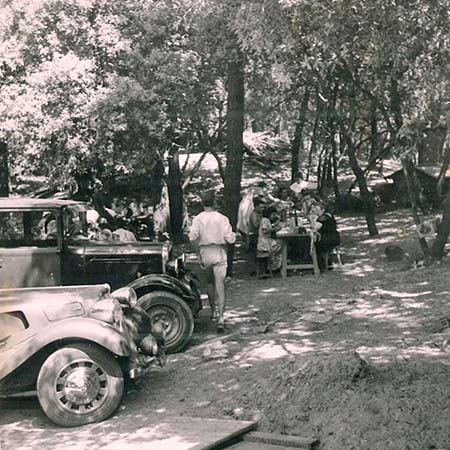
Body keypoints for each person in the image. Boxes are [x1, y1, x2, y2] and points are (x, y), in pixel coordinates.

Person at [189, 191, 236, 330]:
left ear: (202, 203)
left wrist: (198, 251)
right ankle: (221, 318)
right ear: (214, 202)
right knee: (220, 285)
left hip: (205, 251)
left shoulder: (198, 219)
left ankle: (213, 312)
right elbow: (230, 239)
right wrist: (233, 237)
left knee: (210, 282)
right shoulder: (222, 218)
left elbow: (192, 237)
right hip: (219, 251)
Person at [309, 204, 341, 272]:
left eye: (318, 210)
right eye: (315, 210)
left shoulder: (323, 217)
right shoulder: (328, 215)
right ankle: (327, 263)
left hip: (329, 239)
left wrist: (312, 219)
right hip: (334, 237)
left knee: (314, 245)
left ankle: (321, 266)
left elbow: (315, 227)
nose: (316, 212)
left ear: (323, 210)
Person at [257, 205, 283, 273]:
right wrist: (275, 229)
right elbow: (264, 230)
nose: (274, 216)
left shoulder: (267, 220)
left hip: (266, 240)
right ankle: (275, 266)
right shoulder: (265, 220)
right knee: (281, 244)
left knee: (279, 243)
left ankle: (276, 265)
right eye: (273, 214)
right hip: (264, 242)